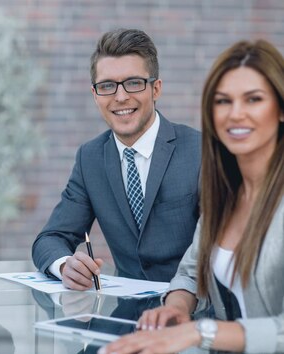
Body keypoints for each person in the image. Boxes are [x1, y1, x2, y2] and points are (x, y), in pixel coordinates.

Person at [101, 40, 284, 354]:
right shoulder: (226, 193)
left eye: (253, 99)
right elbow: (190, 272)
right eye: (223, 101)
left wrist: (201, 331)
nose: (235, 114)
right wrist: (177, 308)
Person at [32, 28, 201, 290]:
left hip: (193, 312)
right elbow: (50, 238)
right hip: (126, 315)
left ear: (156, 89)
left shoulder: (199, 151)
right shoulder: (91, 159)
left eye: (133, 83)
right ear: (95, 95)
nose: (120, 97)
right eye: (107, 86)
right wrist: (66, 265)